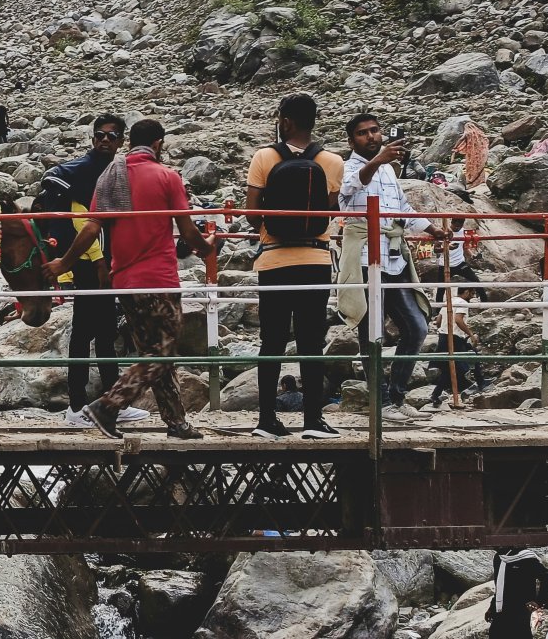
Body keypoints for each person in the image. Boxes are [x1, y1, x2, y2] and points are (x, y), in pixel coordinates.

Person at [43, 119, 212, 440]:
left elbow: (91, 227)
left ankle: (177, 423)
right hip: (158, 279)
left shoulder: (110, 177)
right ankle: (108, 406)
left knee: (155, 352)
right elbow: (188, 231)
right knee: (163, 352)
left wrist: (63, 261)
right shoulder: (167, 176)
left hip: (125, 281)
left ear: (128, 142)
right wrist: (207, 248)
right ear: (159, 145)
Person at [338, 113, 452, 422]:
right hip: (364, 257)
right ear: (352, 141)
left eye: (375, 131)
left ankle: (397, 395)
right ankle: (381, 401)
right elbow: (349, 189)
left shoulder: (388, 169)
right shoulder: (347, 167)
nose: (372, 136)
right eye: (363, 133)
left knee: (416, 326)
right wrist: (377, 160)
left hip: (392, 255)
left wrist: (433, 231)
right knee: (370, 332)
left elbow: (403, 208)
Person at [40, 114, 149, 430]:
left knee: (105, 333)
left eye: (111, 136)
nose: (104, 140)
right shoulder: (82, 170)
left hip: (107, 263)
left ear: (120, 140)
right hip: (90, 264)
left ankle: (114, 402)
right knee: (85, 331)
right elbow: (80, 222)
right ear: (92, 138)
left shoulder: (115, 170)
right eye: (99, 135)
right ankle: (76, 406)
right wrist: (98, 260)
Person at [245, 93, 344, 439]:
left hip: (273, 260)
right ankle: (313, 420)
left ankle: (267, 420)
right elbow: (327, 212)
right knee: (311, 340)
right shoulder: (332, 161)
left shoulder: (264, 156)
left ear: (285, 121)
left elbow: (252, 213)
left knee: (271, 340)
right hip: (315, 259)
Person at [428, 286, 485, 411]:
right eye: (472, 293)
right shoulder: (462, 303)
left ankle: (436, 395)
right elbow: (458, 320)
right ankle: (476, 384)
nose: (473, 296)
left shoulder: (448, 302)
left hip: (443, 336)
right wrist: (470, 334)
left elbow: (438, 321)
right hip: (454, 337)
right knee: (466, 361)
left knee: (449, 368)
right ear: (466, 292)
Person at [486, 549, 548, 639]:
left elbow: (547, 577)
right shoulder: (499, 558)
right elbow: (499, 586)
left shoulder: (526, 558)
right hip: (501, 609)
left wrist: (539, 602)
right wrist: (492, 607)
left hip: (520, 609)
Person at [438, 218, 479, 303]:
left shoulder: (463, 232)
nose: (457, 228)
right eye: (455, 226)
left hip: (460, 263)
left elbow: (464, 246)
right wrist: (447, 247)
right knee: (441, 289)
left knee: (476, 281)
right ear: (452, 223)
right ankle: (438, 311)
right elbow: (436, 249)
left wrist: (472, 255)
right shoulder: (444, 231)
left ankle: (485, 305)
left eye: (459, 226)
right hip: (445, 264)